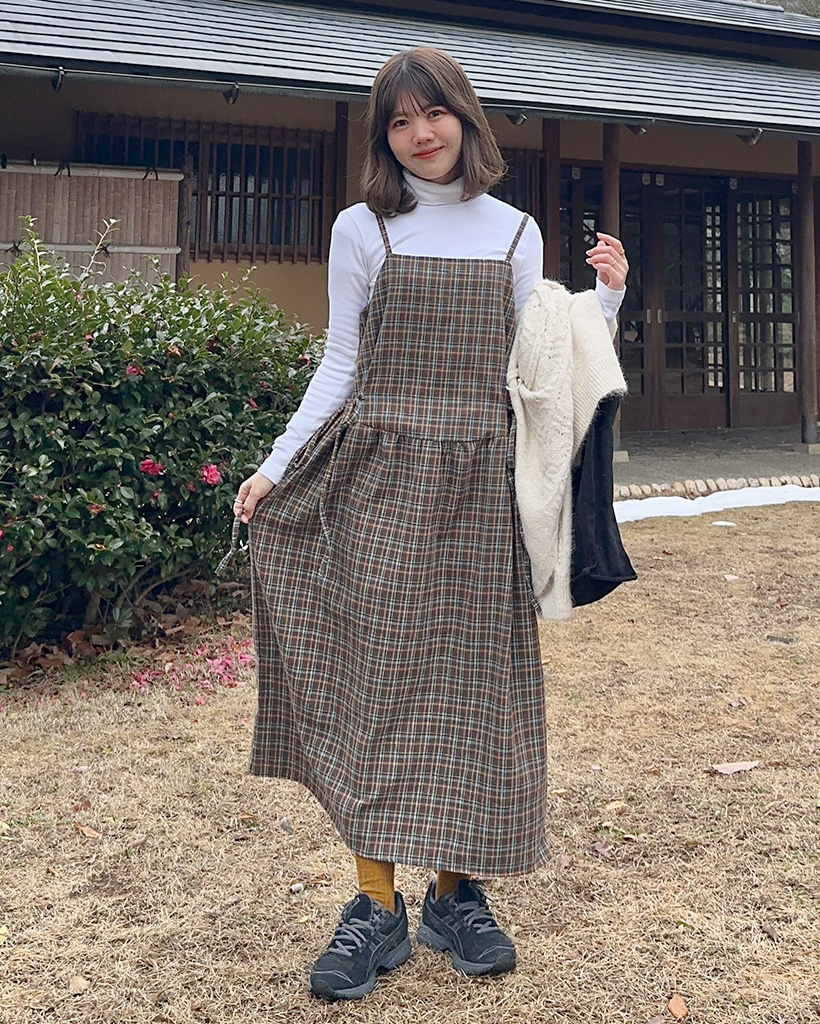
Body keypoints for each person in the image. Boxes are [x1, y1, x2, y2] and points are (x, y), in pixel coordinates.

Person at [233, 47, 629, 1002]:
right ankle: (375, 905)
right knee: (373, 683)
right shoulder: (362, 228)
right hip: (375, 480)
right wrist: (275, 467)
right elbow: (340, 365)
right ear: (384, 137)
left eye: (435, 113)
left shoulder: (516, 231)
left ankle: (456, 895)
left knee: (472, 687)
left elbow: (544, 363)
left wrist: (608, 299)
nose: (421, 133)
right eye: (401, 120)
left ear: (465, 118)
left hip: (482, 486)